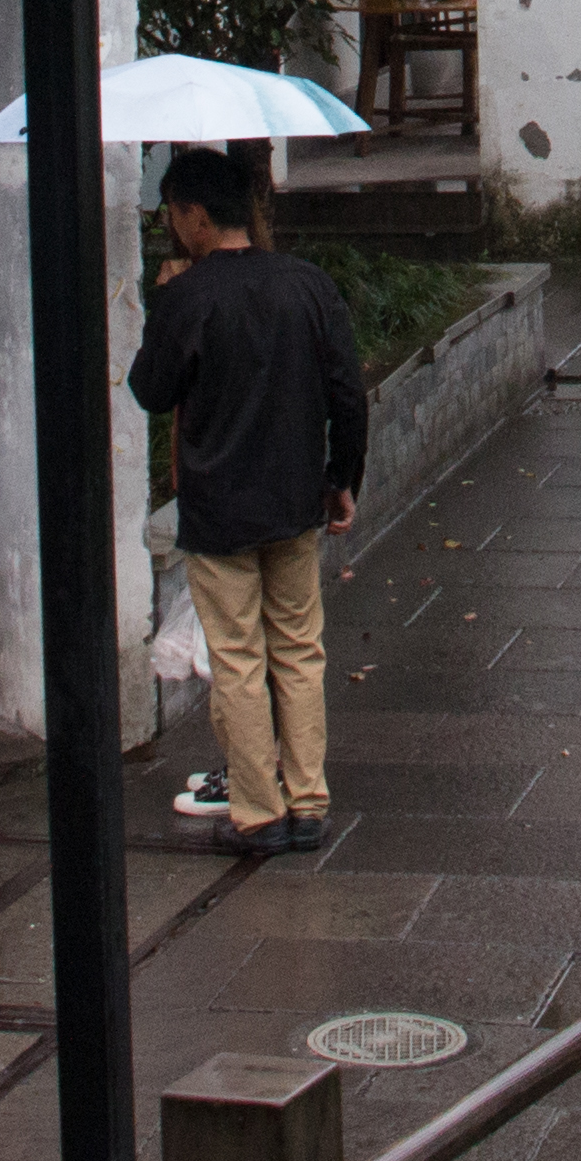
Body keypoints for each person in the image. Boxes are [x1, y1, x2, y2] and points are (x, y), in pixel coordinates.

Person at [126, 147, 368, 858]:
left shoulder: (189, 297)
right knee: (299, 650)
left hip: (220, 509)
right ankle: (309, 800)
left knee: (237, 657)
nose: (171, 225)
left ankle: (258, 812)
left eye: (173, 213)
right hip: (295, 500)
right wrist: (341, 478)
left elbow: (150, 391)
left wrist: (168, 301)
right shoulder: (307, 284)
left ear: (197, 217)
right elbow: (347, 394)